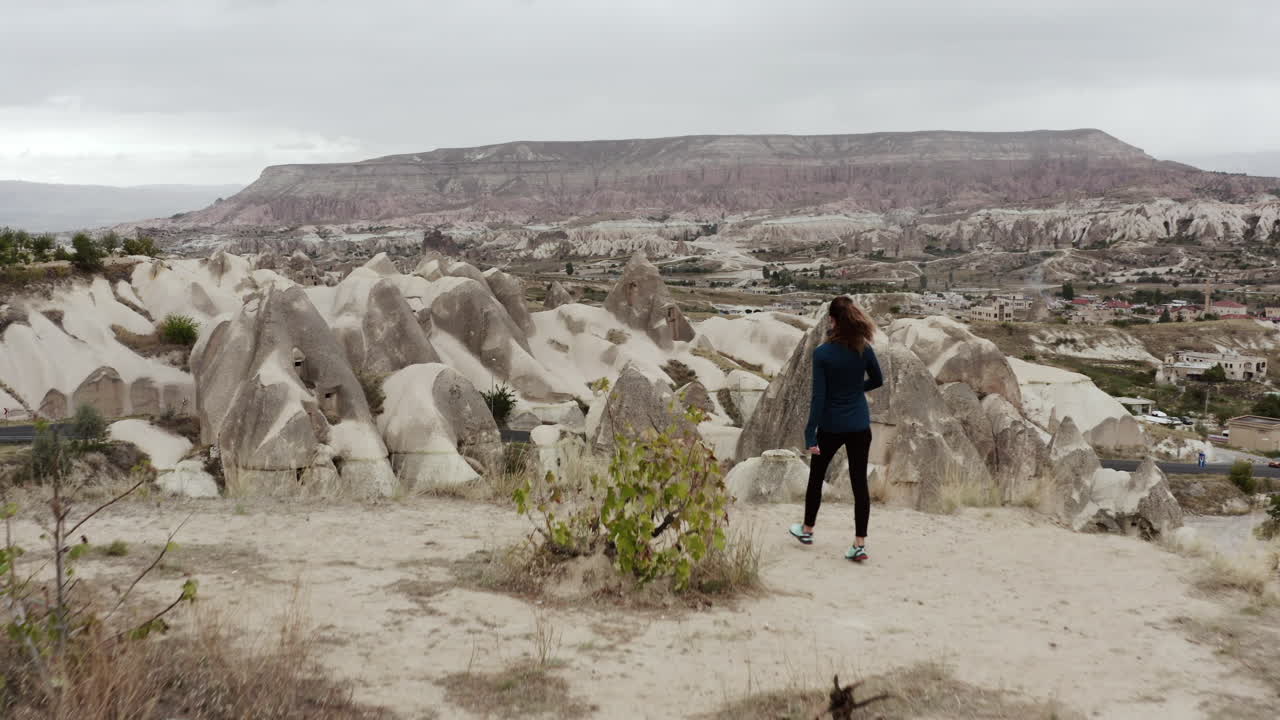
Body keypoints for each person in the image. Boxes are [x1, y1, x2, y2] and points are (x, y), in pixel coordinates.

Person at [789, 296, 883, 562]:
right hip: (859, 425)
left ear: (832, 320)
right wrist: (856, 390)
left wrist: (810, 434)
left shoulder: (822, 354)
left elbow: (818, 398)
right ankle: (859, 544)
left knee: (816, 477)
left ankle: (807, 530)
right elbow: (878, 379)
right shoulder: (864, 348)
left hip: (831, 426)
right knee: (859, 484)